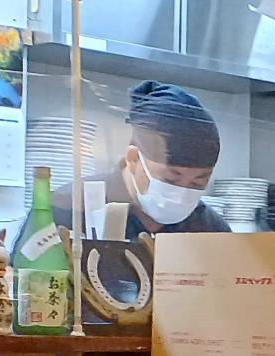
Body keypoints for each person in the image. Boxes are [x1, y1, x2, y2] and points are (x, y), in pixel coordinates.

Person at [95, 80, 230, 238]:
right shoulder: (79, 208)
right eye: (170, 180)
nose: (180, 197)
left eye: (197, 183)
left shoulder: (210, 229)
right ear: (133, 159)